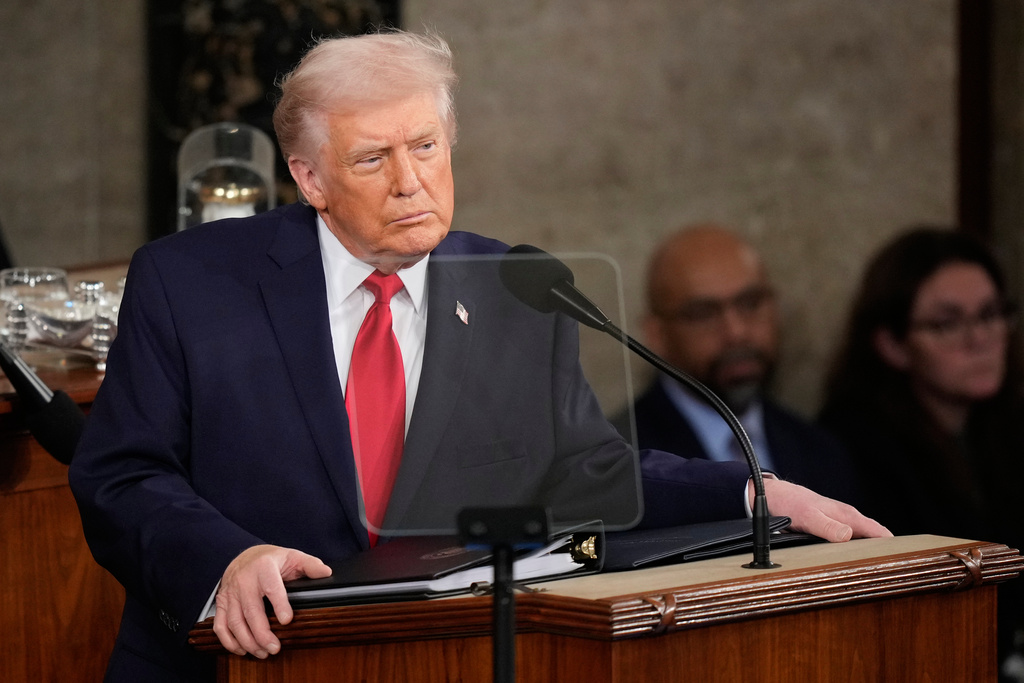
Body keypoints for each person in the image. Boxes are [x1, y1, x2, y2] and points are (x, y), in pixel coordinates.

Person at [69, 31, 888, 682]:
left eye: (426, 146)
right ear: (308, 177)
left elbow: (585, 473)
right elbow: (121, 475)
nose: (409, 182)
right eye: (372, 158)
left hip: (441, 662)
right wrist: (226, 560)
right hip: (235, 666)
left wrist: (755, 488)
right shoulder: (189, 281)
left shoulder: (516, 289)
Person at [817, 226, 1024, 679]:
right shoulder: (852, 448)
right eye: (948, 323)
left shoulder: (1005, 427)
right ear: (892, 345)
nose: (979, 338)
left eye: (990, 314)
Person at [615, 224, 861, 503]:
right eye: (703, 313)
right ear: (657, 334)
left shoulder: (821, 450)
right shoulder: (618, 460)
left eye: (750, 303)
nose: (736, 332)